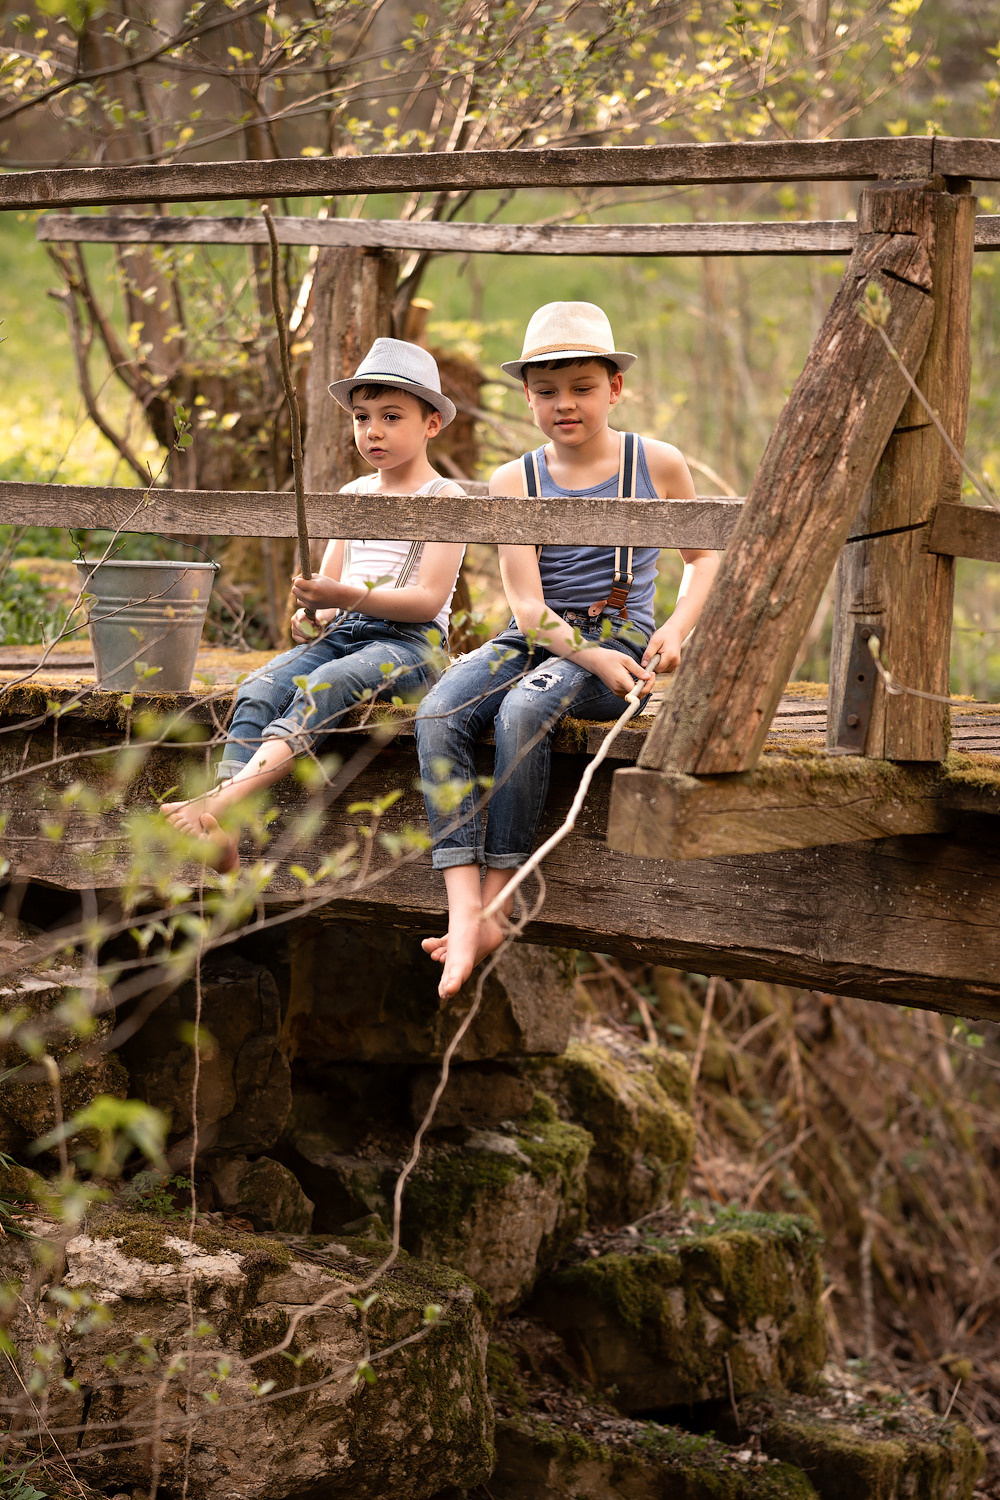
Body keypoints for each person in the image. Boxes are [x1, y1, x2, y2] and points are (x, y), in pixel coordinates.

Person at [416, 301, 720, 998]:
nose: (565, 405)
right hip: (541, 636)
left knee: (524, 712)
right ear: (526, 395)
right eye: (546, 391)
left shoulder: (655, 463)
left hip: (620, 638)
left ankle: (500, 902)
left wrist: (676, 629)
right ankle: (463, 902)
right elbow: (526, 607)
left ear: (615, 387)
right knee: (438, 714)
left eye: (582, 388)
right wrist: (583, 657)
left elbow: (703, 559)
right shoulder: (512, 480)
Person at [164, 338, 466, 869]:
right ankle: (223, 833)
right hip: (345, 634)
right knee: (259, 686)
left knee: (326, 685)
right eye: (362, 417)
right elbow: (327, 593)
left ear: (431, 424)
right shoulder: (351, 496)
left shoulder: (444, 500)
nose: (373, 431)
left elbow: (427, 601)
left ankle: (223, 802)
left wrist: (342, 597)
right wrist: (312, 614)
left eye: (392, 417)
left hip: (410, 646)